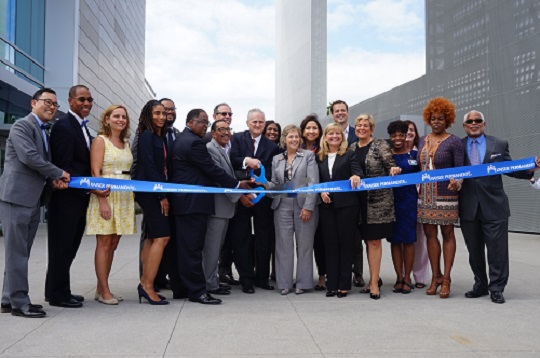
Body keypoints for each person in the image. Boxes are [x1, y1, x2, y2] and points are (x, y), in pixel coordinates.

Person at [169, 109, 252, 305]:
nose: (205, 126)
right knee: (193, 249)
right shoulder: (195, 143)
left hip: (187, 202)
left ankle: (184, 288)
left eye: (206, 123)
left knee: (187, 248)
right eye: (203, 122)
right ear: (190, 122)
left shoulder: (181, 140)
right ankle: (198, 292)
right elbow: (212, 170)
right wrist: (237, 185)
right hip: (193, 203)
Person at [0, 88, 70, 318]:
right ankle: (20, 303)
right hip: (17, 198)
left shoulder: (43, 131)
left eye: (55, 104)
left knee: (20, 252)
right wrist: (59, 173)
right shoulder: (22, 126)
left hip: (31, 199)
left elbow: (39, 166)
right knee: (17, 253)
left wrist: (53, 180)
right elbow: (29, 157)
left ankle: (9, 299)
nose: (51, 107)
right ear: (33, 103)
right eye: (47, 102)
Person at [459, 110, 537, 304]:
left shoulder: (499, 144)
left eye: (478, 121)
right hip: (468, 206)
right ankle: (480, 285)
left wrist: (530, 169)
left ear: (484, 124)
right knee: (474, 251)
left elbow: (508, 168)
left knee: (497, 251)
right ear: (464, 126)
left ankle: (497, 288)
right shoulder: (457, 146)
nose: (474, 124)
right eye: (470, 121)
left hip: (494, 206)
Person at [46, 85, 106, 308]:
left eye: (89, 99)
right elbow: (65, 166)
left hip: (78, 198)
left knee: (69, 246)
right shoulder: (63, 126)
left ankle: (56, 289)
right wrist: (92, 186)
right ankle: (58, 294)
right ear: (70, 101)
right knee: (62, 247)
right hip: (66, 199)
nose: (87, 103)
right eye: (82, 99)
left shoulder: (81, 128)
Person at [85, 105, 135, 305]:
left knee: (113, 244)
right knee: (104, 244)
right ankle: (105, 290)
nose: (120, 119)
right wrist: (102, 201)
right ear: (107, 119)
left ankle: (101, 287)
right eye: (116, 116)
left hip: (124, 196)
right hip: (105, 195)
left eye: (123, 116)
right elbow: (95, 172)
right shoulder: (100, 141)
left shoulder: (126, 143)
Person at [417, 97, 464, 298]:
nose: (436, 121)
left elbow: (460, 169)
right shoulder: (422, 140)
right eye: (433, 118)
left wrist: (458, 182)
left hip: (446, 194)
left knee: (447, 234)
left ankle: (446, 279)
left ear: (448, 120)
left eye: (441, 118)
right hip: (425, 195)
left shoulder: (454, 141)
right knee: (430, 236)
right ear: (429, 119)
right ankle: (435, 276)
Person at [229, 108, 280, 293]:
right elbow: (231, 160)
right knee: (241, 238)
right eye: (254, 122)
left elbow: (274, 172)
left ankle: (262, 278)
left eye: (260, 122)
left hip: (263, 198)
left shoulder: (272, 146)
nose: (257, 125)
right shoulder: (237, 139)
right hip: (241, 196)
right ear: (247, 123)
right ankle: (246, 279)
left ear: (264, 124)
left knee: (263, 238)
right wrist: (246, 161)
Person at [353, 114, 401, 300]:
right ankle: (374, 277)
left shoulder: (380, 145)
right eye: (359, 125)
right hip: (358, 202)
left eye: (366, 125)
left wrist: (394, 170)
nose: (362, 128)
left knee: (374, 241)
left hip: (378, 202)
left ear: (371, 129)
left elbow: (391, 166)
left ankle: (373, 283)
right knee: (366, 240)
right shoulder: (351, 148)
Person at [269, 125, 319, 295]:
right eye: (291, 137)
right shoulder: (277, 159)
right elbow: (275, 184)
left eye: (297, 137)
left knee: (304, 246)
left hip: (303, 205)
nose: (294, 140)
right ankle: (284, 283)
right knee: (283, 245)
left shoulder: (308, 156)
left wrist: (308, 206)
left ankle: (303, 283)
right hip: (281, 205)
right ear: (284, 139)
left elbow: (312, 182)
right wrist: (263, 184)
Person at [317, 123, 362, 298]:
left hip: (347, 206)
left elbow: (357, 172)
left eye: (337, 134)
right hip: (326, 206)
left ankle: (344, 284)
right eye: (331, 133)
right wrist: (321, 191)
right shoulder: (319, 157)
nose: (334, 136)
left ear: (342, 137)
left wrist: (356, 176)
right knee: (330, 244)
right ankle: (332, 284)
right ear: (325, 137)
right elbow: (315, 180)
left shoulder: (349, 154)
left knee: (346, 244)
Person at [133, 100, 170, 305]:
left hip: (153, 191)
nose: (161, 117)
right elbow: (149, 166)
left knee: (151, 237)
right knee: (162, 237)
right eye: (157, 113)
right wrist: (162, 196)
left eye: (163, 113)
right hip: (150, 192)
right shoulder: (146, 135)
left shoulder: (157, 135)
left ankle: (144, 284)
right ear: (148, 114)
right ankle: (148, 287)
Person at [202, 119, 242, 296]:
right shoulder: (211, 149)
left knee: (217, 247)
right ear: (213, 133)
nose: (226, 132)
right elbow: (219, 176)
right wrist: (241, 191)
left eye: (228, 129)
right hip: (217, 207)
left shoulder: (224, 149)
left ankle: (213, 280)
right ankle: (210, 284)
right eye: (221, 129)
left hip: (225, 207)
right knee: (211, 248)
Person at [387, 120, 419, 294]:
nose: (398, 138)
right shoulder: (387, 155)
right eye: (394, 135)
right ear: (390, 137)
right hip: (391, 202)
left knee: (408, 240)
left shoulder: (414, 155)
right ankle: (398, 276)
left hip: (409, 201)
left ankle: (408, 278)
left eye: (401, 134)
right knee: (394, 240)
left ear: (407, 135)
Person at [300, 114, 327, 290]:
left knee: (321, 241)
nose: (311, 131)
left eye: (314, 128)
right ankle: (304, 276)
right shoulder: (297, 148)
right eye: (308, 128)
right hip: (302, 201)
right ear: (302, 131)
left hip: (323, 201)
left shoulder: (324, 150)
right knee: (304, 242)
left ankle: (323, 276)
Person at [404, 120, 430, 289]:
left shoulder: (422, 152)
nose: (408, 133)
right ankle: (402, 275)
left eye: (411, 130)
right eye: (405, 130)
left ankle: (420, 276)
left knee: (421, 240)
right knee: (402, 240)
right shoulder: (392, 152)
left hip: (420, 198)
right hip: (401, 200)